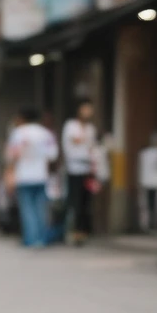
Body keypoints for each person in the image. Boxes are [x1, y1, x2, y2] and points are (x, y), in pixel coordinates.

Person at [6, 106, 58, 248]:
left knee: (27, 208)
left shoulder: (18, 133)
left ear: (22, 118)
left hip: (23, 176)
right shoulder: (46, 133)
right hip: (41, 175)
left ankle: (30, 238)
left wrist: (10, 174)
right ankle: (41, 238)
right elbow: (53, 155)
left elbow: (12, 155)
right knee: (41, 208)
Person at [62, 99, 98, 246]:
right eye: (85, 109)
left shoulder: (91, 128)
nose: (88, 112)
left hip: (87, 169)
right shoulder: (71, 126)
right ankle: (73, 232)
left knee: (86, 202)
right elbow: (77, 140)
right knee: (74, 201)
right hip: (74, 168)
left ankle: (83, 232)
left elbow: (92, 147)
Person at [137, 132, 157, 232]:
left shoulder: (144, 153)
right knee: (154, 203)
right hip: (155, 182)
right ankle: (153, 223)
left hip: (145, 181)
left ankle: (147, 224)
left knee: (147, 203)